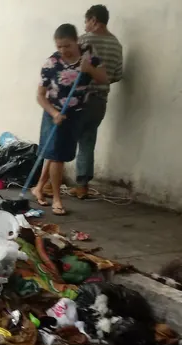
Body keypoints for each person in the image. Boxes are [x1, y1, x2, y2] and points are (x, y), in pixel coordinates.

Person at [31, 23, 108, 216]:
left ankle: (39, 187)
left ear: (76, 41)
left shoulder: (89, 58)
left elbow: (104, 79)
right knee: (56, 156)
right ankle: (57, 198)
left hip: (77, 113)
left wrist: (89, 69)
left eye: (67, 46)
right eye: (59, 47)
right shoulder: (51, 63)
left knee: (57, 153)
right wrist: (54, 113)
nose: (63, 50)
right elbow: (40, 95)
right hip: (54, 114)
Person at [70, 4, 124, 199]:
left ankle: (51, 181)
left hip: (79, 99)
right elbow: (117, 75)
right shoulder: (116, 44)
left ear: (94, 20)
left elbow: (70, 68)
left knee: (63, 137)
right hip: (100, 101)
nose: (84, 26)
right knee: (87, 140)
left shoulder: (84, 41)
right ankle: (82, 186)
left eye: (86, 21)